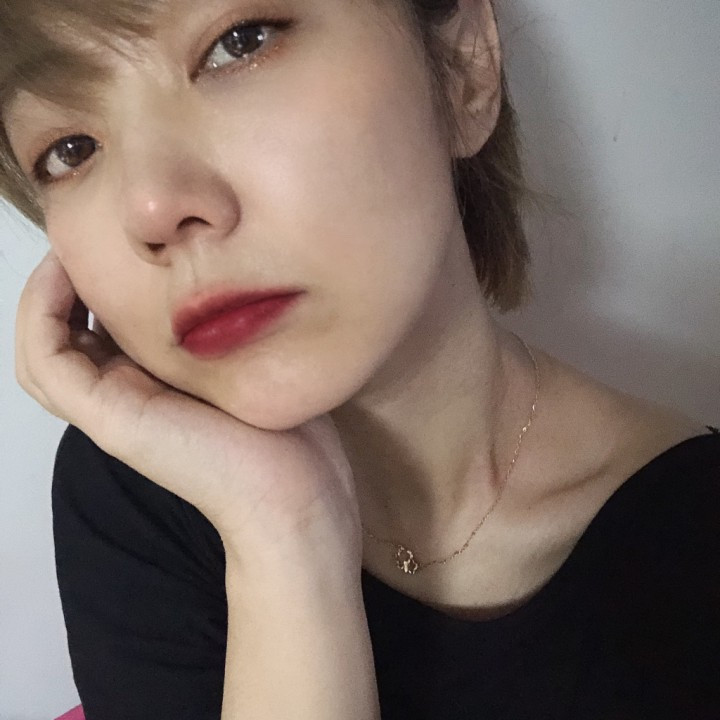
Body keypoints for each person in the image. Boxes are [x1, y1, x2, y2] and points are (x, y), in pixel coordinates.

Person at [3, 0, 718, 718]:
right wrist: (283, 526)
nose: (153, 208)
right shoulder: (140, 486)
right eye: (71, 150)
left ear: (464, 69)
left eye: (239, 43)